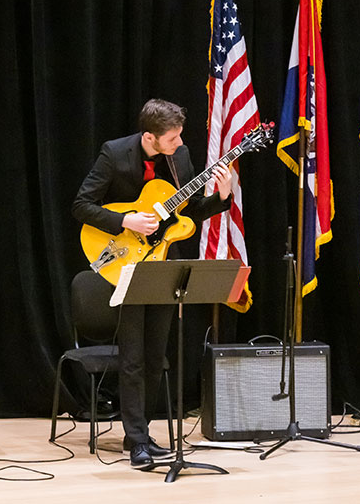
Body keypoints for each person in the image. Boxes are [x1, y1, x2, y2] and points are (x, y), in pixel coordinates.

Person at [72, 98, 233, 469]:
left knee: (155, 352)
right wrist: (127, 220)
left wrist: (221, 199)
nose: (179, 143)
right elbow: (81, 205)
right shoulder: (114, 154)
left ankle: (140, 433)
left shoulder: (180, 158)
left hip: (163, 265)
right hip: (126, 261)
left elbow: (188, 212)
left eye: (179, 137)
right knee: (131, 356)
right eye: (173, 138)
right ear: (150, 136)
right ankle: (137, 443)